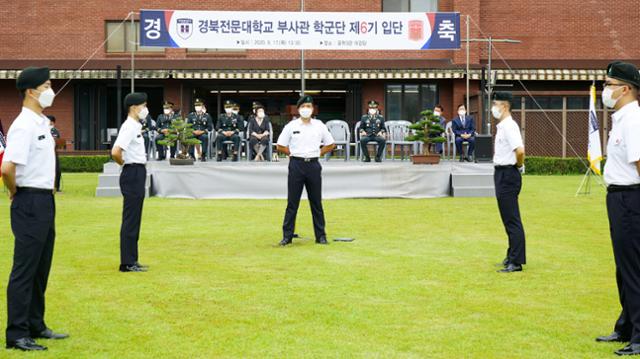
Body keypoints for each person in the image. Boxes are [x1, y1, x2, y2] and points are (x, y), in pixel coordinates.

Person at [1, 66, 69, 351]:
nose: (50, 90)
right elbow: (6, 168)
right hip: (29, 199)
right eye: (47, 85)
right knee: (25, 268)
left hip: (44, 200)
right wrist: (16, 192)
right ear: (31, 91)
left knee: (42, 266)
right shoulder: (23, 124)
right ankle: (17, 333)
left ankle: (36, 324)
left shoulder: (41, 122)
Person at [594, 61, 640, 356]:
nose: (604, 90)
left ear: (625, 89)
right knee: (623, 268)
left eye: (608, 84)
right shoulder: (621, 118)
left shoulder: (634, 119)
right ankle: (626, 325)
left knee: (634, 269)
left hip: (631, 199)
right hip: (618, 198)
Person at [276, 95, 336, 246]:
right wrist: (292, 154)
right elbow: (280, 145)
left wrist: (319, 153)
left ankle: (321, 236)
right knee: (292, 203)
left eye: (309, 106)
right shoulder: (291, 126)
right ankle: (287, 236)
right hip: (296, 164)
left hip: (313, 165)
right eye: (303, 107)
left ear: (313, 109)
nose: (306, 109)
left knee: (316, 202)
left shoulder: (319, 125)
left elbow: (330, 144)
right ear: (298, 109)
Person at [111, 92, 149, 273]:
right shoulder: (130, 126)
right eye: (143, 106)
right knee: (131, 219)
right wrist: (126, 165)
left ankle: (132, 259)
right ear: (134, 107)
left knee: (135, 217)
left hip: (137, 171)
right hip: (132, 171)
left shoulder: (135, 125)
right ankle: (127, 262)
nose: (145, 109)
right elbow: (116, 151)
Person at [491, 92, 526, 273]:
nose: (493, 108)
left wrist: (518, 166)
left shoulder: (510, 126)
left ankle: (516, 261)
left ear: (504, 106)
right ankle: (511, 254)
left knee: (512, 219)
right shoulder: (502, 126)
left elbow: (519, 151)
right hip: (501, 173)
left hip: (508, 174)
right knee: (507, 218)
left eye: (495, 104)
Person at [46, 115, 62, 192]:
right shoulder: (42, 130)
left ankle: (57, 187)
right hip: (44, 154)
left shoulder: (56, 131)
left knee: (57, 170)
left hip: (54, 153)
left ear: (52, 122)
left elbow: (59, 143)